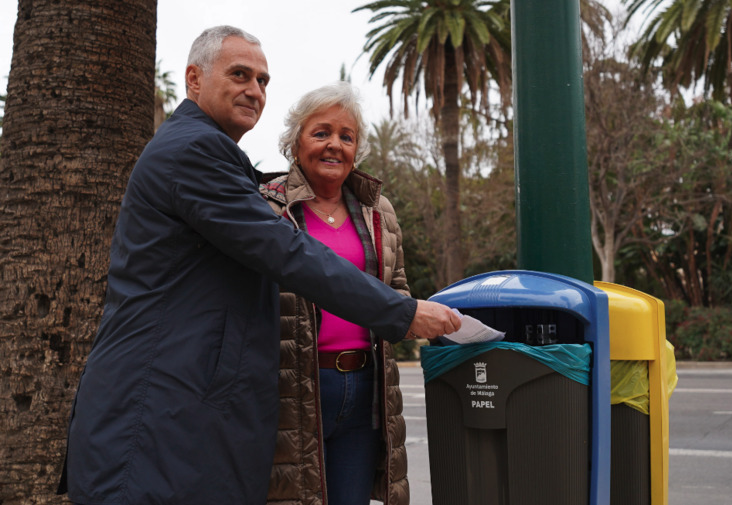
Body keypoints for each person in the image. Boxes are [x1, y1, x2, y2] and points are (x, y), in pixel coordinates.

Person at [57, 26, 460, 505]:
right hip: (157, 422)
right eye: (240, 74)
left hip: (182, 421)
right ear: (193, 80)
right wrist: (402, 313)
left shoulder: (216, 154)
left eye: (264, 80)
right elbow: (286, 252)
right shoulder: (195, 152)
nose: (254, 90)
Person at [259, 82, 411, 505]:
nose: (334, 145)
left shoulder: (379, 212)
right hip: (292, 389)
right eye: (321, 132)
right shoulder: (268, 208)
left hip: (366, 389)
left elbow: (397, 292)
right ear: (295, 141)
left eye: (347, 136)